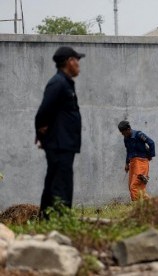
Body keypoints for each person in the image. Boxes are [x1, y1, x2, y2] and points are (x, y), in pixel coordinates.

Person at [35, 46, 85, 219]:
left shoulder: (65, 83)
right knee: (61, 184)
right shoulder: (58, 83)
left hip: (63, 143)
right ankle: (60, 220)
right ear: (69, 61)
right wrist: (41, 132)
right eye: (76, 60)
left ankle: (45, 219)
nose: (78, 64)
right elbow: (43, 111)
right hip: (59, 143)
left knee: (53, 182)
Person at [118, 121, 155, 201]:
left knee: (135, 186)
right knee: (131, 186)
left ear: (128, 129)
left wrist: (150, 155)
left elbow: (151, 143)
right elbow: (128, 151)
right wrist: (127, 163)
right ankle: (149, 204)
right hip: (133, 163)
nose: (122, 134)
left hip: (141, 163)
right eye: (121, 133)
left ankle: (138, 206)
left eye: (123, 132)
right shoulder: (126, 139)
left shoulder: (139, 135)